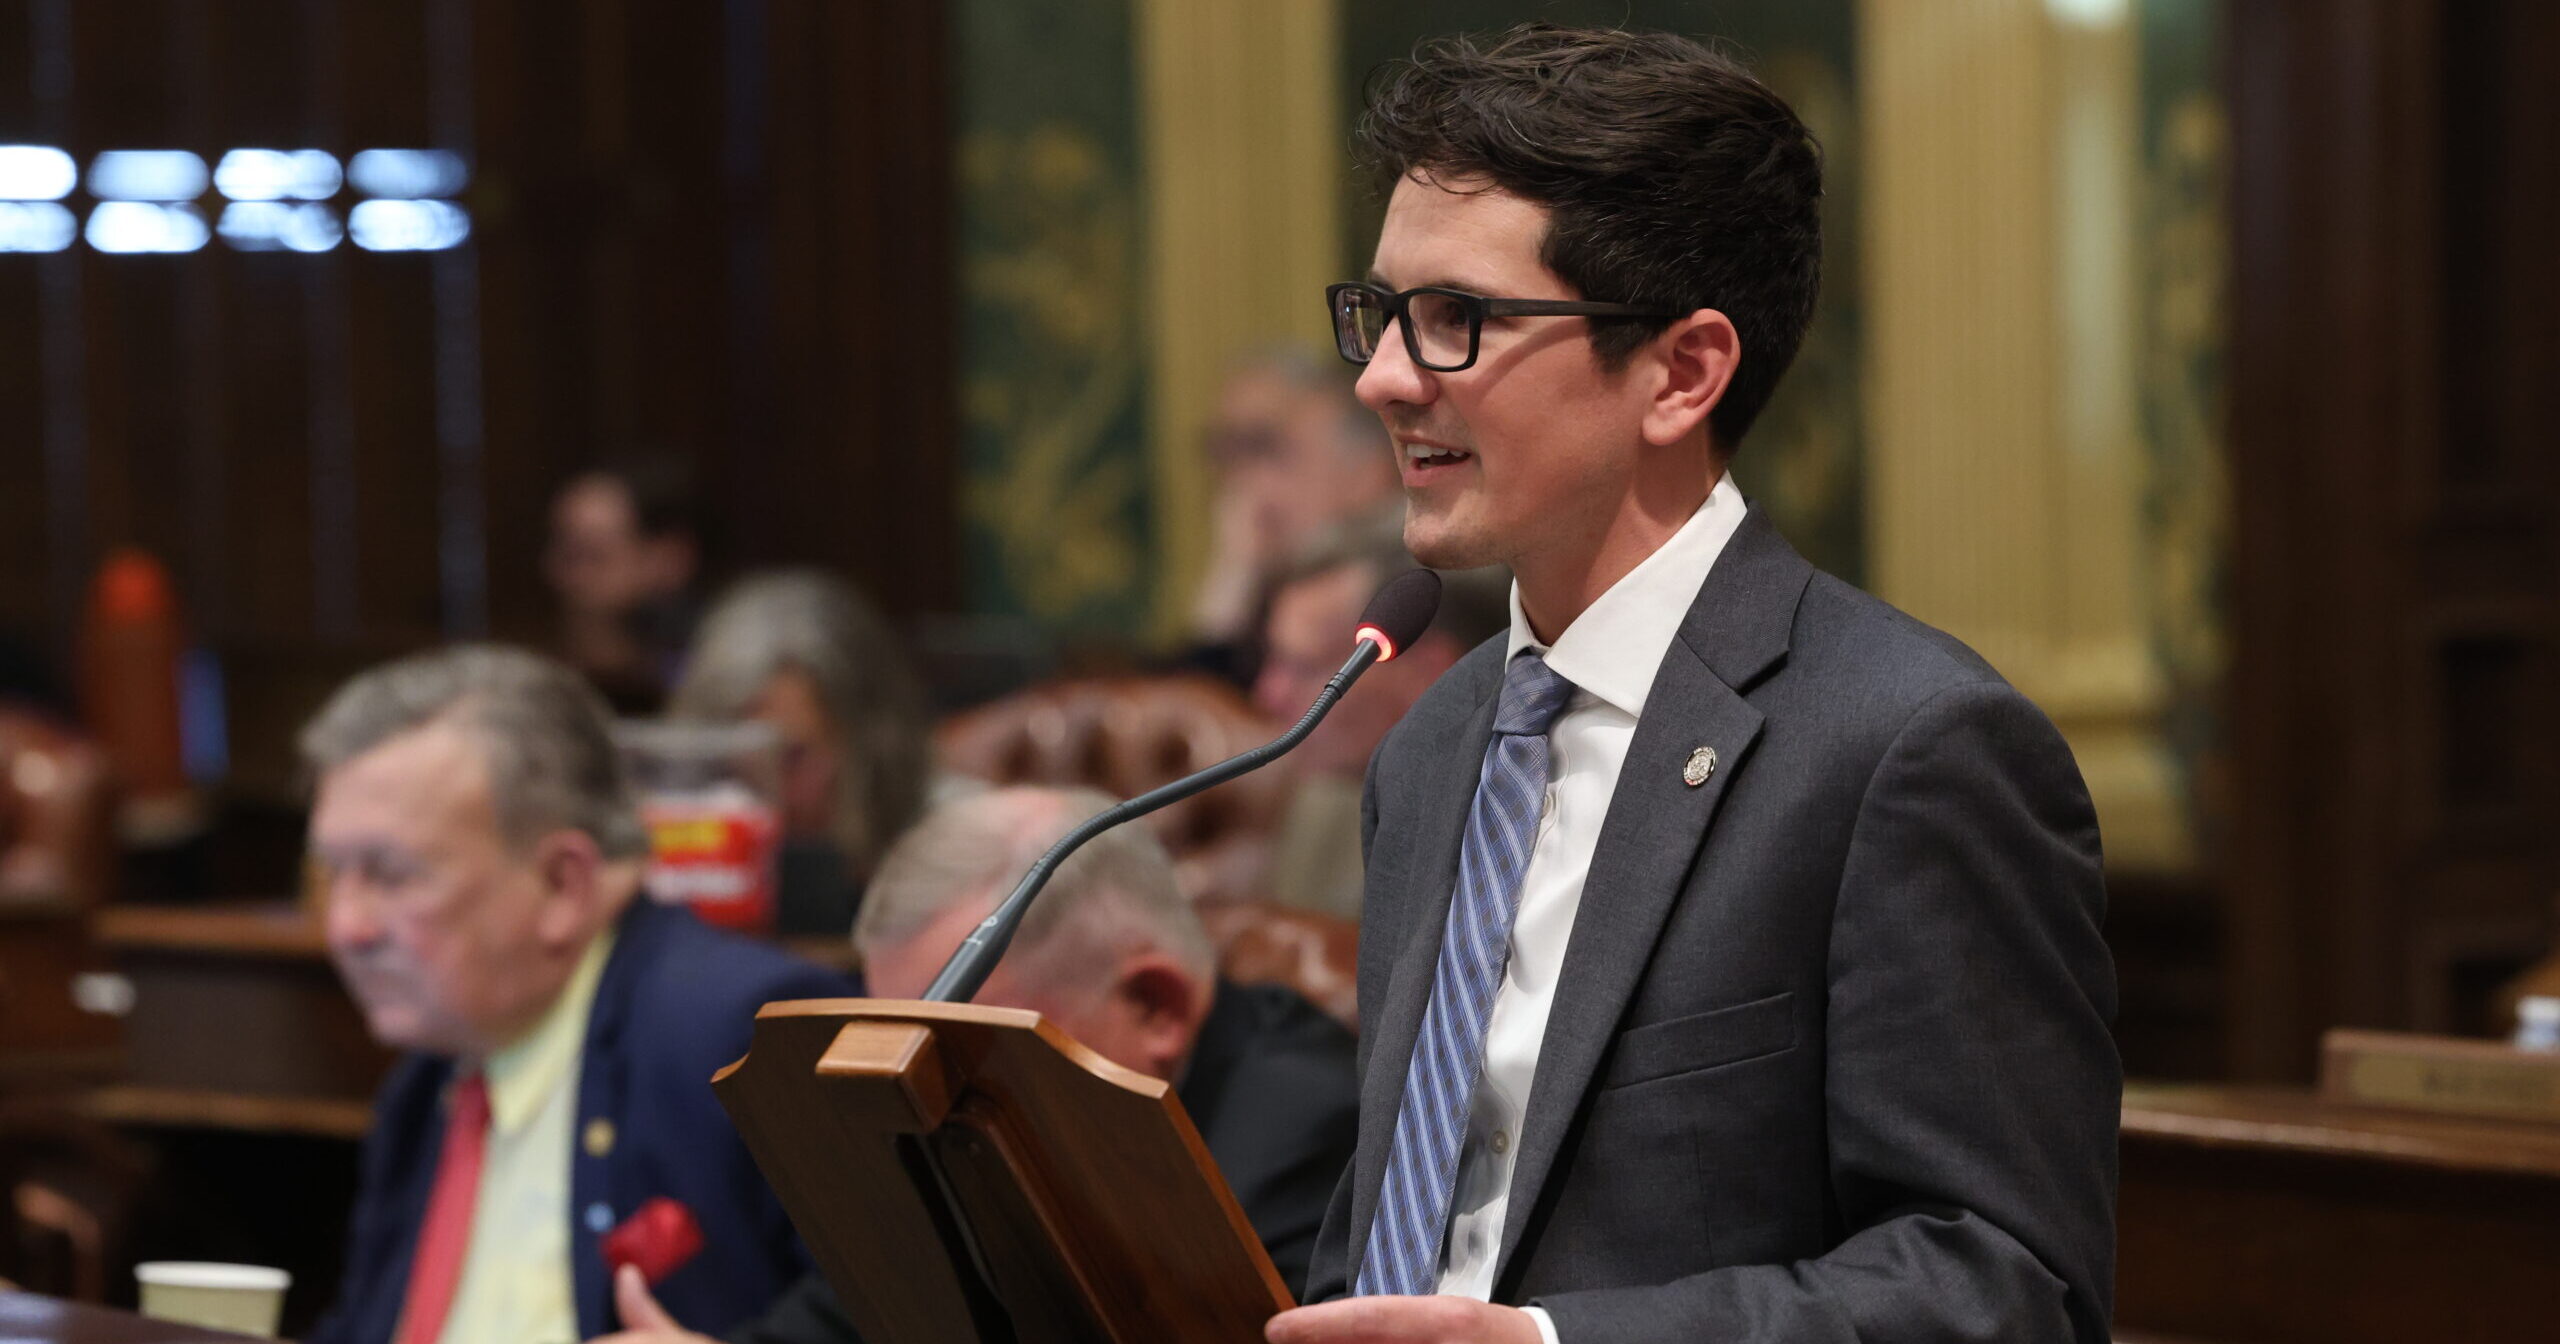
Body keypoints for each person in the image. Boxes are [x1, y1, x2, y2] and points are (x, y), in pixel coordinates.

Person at [1271, 26, 2118, 1344]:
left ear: (1682, 372)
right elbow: (1385, 1234)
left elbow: (2007, 1287)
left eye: (1455, 322)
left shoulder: (1911, 748)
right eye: (1380, 314)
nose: (1381, 377)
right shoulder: (1433, 746)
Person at [597, 785, 1360, 1344]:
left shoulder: (1310, 1136)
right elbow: (861, 1309)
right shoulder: (950, 1111)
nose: (914, 1084)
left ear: (1152, 1004)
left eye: (954, 1047)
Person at [300, 646, 855, 1344]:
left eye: (391, 873)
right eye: (332, 875)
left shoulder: (742, 1033)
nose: (346, 927)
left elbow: (912, 1317)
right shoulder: (426, 1086)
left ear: (563, 884)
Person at [1251, 508, 1509, 920]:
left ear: (1430, 673)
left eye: (1302, 667)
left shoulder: (1501, 842)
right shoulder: (1320, 807)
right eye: (1272, 658)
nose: (1268, 694)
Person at [668, 571, 936, 935]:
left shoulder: (953, 845)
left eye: (790, 758)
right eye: (730, 763)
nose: (755, 803)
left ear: (870, 742)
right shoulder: (669, 879)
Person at [1186, 350, 1400, 685]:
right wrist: (1230, 585)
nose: (1242, 485)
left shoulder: (1394, 596)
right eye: (1224, 453)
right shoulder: (1266, 601)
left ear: (1368, 467)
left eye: (1263, 448)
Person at [546, 457, 708, 714]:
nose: (565, 576)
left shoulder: (707, 685)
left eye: (593, 555)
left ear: (670, 558)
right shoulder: (544, 684)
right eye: (563, 552)